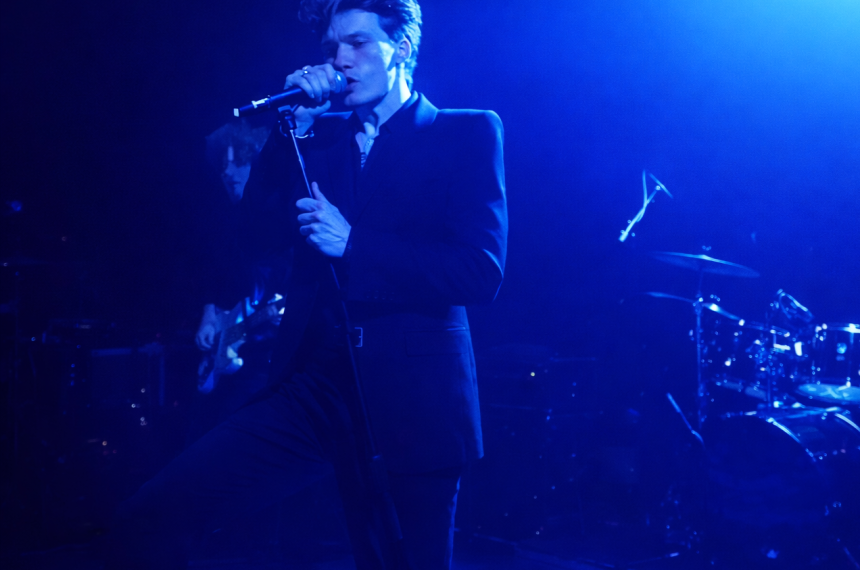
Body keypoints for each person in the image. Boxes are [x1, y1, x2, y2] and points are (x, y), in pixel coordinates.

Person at [110, 1, 506, 568]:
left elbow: (480, 270)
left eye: (358, 43)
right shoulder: (317, 140)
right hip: (316, 389)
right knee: (155, 511)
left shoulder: (464, 132)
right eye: (331, 48)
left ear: (402, 48)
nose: (340, 59)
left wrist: (355, 244)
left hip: (415, 399)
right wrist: (289, 132)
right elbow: (255, 241)